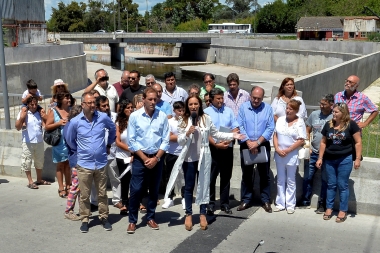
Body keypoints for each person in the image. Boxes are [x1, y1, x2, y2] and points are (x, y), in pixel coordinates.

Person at [168, 94, 243, 231]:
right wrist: (186, 133)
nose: (193, 106)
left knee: (204, 186)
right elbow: (179, 141)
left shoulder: (206, 118)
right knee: (189, 186)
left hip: (203, 158)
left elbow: (216, 134)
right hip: (189, 159)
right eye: (190, 104)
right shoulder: (183, 120)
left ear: (200, 105)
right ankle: (189, 214)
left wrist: (233, 135)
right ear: (187, 106)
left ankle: (202, 213)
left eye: (196, 104)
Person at [65, 92, 116, 233]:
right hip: (84, 164)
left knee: (102, 193)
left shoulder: (103, 117)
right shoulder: (75, 122)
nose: (93, 105)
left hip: (100, 163)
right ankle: (85, 219)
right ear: (83, 105)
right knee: (85, 194)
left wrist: (108, 144)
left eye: (94, 102)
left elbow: (112, 129)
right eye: (90, 103)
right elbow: (70, 140)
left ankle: (104, 217)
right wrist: (81, 151)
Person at [126, 87, 170, 234]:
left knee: (154, 190)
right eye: (149, 99)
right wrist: (145, 158)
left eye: (155, 99)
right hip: (140, 158)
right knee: (136, 189)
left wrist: (156, 158)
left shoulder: (162, 116)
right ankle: (132, 220)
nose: (153, 102)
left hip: (157, 158)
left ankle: (151, 217)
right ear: (143, 99)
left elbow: (166, 140)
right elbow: (131, 141)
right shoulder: (135, 116)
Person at [316, 102, 362, 223]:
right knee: (331, 184)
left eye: (336, 112)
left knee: (342, 185)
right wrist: (320, 158)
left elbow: (358, 142)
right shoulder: (328, 124)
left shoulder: (351, 125)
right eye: (333, 112)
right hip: (329, 159)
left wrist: (357, 159)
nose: (333, 114)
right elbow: (323, 142)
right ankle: (329, 208)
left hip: (345, 159)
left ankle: (343, 210)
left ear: (343, 113)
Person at [237, 86, 275, 213]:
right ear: (250, 96)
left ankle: (265, 200)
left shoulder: (268, 108)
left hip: (262, 144)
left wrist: (257, 143)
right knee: (247, 174)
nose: (256, 100)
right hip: (246, 144)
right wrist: (249, 142)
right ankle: (246, 200)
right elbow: (240, 125)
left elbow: (270, 127)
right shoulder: (243, 108)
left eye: (259, 98)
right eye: (254, 98)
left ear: (262, 98)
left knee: (264, 175)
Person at [204, 88, 239, 215]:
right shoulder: (206, 112)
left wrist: (229, 140)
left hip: (227, 148)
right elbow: (205, 132)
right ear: (212, 99)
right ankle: (211, 204)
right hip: (213, 149)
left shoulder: (228, 111)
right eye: (218, 98)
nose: (220, 100)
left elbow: (235, 128)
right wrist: (216, 144)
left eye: (222, 98)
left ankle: (225, 204)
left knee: (226, 177)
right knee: (211, 178)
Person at [300, 94, 334, 213]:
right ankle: (305, 200)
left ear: (331, 105)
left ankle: (322, 204)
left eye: (324, 104)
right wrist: (307, 145)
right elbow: (307, 129)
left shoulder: (334, 116)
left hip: (327, 154)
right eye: (320, 103)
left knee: (325, 180)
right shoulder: (314, 114)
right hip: (313, 152)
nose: (321, 106)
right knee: (307, 177)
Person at [273, 99, 306, 214]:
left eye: (291, 109)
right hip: (279, 154)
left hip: (291, 154)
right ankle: (280, 203)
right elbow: (275, 135)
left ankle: (290, 204)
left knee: (291, 180)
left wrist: (288, 150)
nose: (288, 110)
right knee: (280, 179)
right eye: (287, 108)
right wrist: (277, 148)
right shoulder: (280, 120)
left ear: (296, 110)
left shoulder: (300, 121)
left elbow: (301, 139)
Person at [95, 96, 123, 212]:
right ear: (97, 107)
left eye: (107, 105)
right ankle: (94, 201)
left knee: (115, 177)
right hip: (97, 154)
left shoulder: (115, 116)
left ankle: (117, 200)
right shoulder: (93, 117)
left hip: (111, 152)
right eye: (103, 106)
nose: (107, 107)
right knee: (95, 179)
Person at [15, 96, 50, 189]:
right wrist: (22, 117)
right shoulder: (23, 113)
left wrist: (44, 116)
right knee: (27, 161)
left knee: (39, 161)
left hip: (39, 141)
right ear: (28, 104)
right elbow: (17, 127)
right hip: (27, 142)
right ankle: (30, 181)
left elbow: (46, 125)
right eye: (32, 104)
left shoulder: (39, 112)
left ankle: (39, 179)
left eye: (35, 104)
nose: (34, 106)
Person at [45, 92, 71, 198]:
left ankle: (69, 186)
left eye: (69, 98)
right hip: (59, 142)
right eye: (66, 98)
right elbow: (47, 126)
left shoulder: (71, 110)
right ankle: (61, 187)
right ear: (60, 100)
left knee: (68, 164)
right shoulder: (54, 111)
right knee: (60, 165)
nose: (69, 100)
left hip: (70, 142)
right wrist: (59, 123)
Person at [161, 101, 186, 209]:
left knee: (184, 176)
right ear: (174, 111)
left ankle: (185, 197)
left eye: (183, 110)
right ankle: (169, 198)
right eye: (179, 110)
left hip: (184, 152)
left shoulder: (187, 121)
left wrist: (180, 137)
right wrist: (183, 136)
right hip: (171, 153)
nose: (181, 113)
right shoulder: (169, 122)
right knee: (170, 176)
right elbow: (169, 137)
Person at [63, 105, 83, 220]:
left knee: (80, 186)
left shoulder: (70, 125)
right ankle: (68, 210)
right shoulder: (71, 126)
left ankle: (82, 209)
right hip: (76, 159)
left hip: (77, 159)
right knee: (75, 186)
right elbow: (72, 143)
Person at [115, 99, 134, 214]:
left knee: (135, 180)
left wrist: (136, 153)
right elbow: (118, 142)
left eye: (131, 107)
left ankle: (135, 202)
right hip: (122, 157)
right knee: (125, 181)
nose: (130, 110)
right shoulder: (118, 123)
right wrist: (131, 150)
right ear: (122, 109)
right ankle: (125, 202)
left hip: (136, 156)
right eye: (127, 108)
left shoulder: (136, 121)